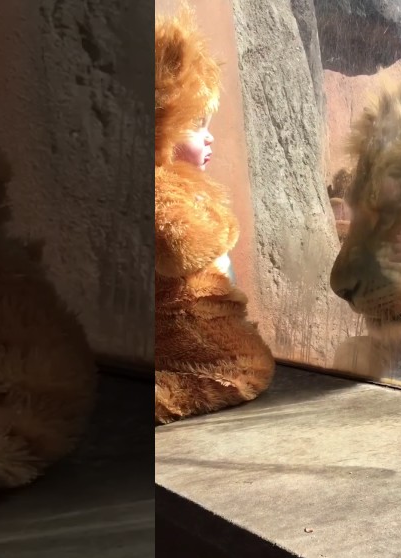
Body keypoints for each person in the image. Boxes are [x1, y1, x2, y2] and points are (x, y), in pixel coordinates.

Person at [154, 4, 275, 425]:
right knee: (244, 372)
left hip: (193, 326)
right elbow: (180, 248)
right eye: (194, 125)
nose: (209, 137)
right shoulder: (160, 188)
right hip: (193, 339)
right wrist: (220, 225)